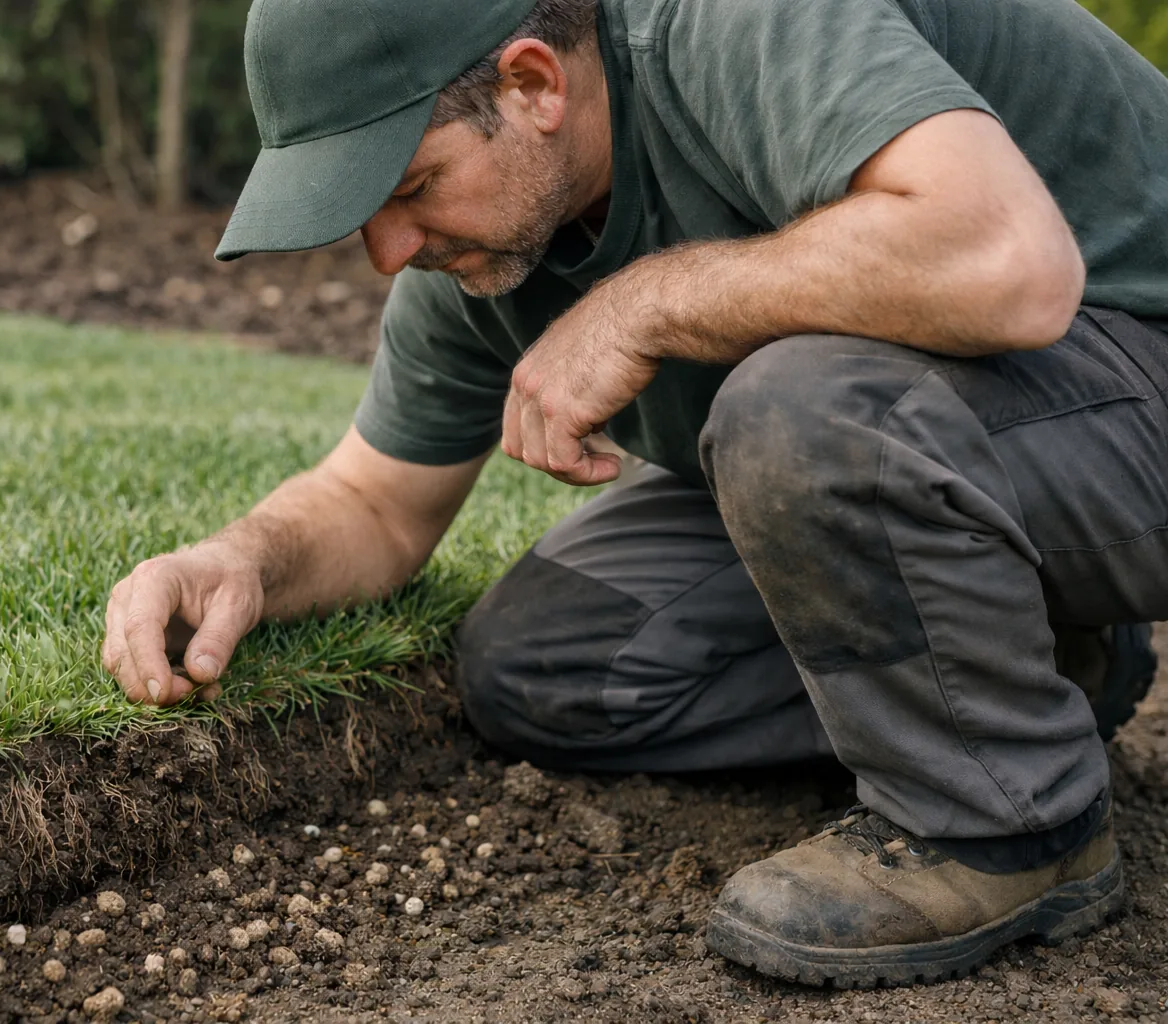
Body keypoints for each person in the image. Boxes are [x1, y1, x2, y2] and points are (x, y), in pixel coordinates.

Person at [102, 0, 1168, 987]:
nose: (388, 251)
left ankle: (1007, 828)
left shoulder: (738, 24)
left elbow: (1007, 261)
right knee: (546, 658)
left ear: (532, 85)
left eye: (410, 186)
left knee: (797, 408)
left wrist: (646, 304)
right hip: (983, 447)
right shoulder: (486, 247)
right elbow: (377, 504)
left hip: (1133, 364)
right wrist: (238, 558)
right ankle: (1032, 661)